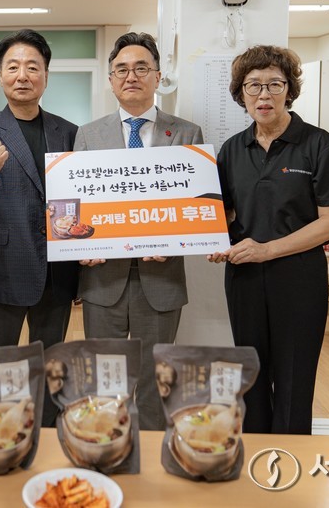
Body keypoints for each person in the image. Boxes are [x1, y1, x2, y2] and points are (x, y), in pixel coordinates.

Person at [207, 45, 329, 435]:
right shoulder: (233, 149)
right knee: (250, 374)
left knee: (294, 377)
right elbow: (223, 212)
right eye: (253, 86)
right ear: (241, 95)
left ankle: (289, 464)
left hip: (299, 277)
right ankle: (254, 456)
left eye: (274, 84)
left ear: (289, 89)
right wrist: (212, 238)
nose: (264, 95)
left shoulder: (318, 144)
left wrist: (267, 249)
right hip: (244, 278)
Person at [73, 32, 203, 431]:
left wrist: (175, 241)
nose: (132, 76)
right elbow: (72, 204)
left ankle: (150, 465)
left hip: (160, 278)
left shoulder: (186, 133)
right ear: (111, 80)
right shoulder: (88, 135)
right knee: (104, 375)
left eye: (141, 68)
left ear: (158, 76)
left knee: (153, 379)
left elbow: (196, 208)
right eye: (122, 69)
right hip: (102, 277)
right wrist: (77, 245)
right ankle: (103, 447)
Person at [0, 29, 79, 351]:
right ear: (0, 76)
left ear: (46, 76)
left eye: (32, 67)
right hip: (3, 271)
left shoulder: (69, 133)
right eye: (13, 67)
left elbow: (81, 200)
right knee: (0, 368)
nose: (22, 76)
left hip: (58, 272)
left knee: (51, 367)